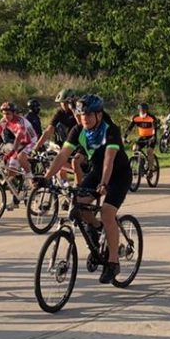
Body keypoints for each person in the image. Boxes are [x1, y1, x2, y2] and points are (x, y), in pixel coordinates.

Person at [40, 95, 130, 284]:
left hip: (118, 175)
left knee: (107, 213)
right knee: (78, 208)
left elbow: (109, 160)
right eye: (81, 115)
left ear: (99, 114)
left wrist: (104, 183)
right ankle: (98, 231)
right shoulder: (78, 130)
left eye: (89, 115)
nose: (84, 119)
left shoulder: (110, 130)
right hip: (97, 173)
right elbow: (63, 155)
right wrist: (46, 178)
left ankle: (113, 262)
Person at [0, 102, 37, 195]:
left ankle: (31, 178)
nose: (5, 116)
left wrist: (12, 152)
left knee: (20, 156)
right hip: (21, 143)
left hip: (31, 142)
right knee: (11, 176)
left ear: (14, 113)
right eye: (3, 113)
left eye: (8, 114)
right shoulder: (3, 121)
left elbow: (19, 136)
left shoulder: (20, 121)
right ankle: (16, 198)